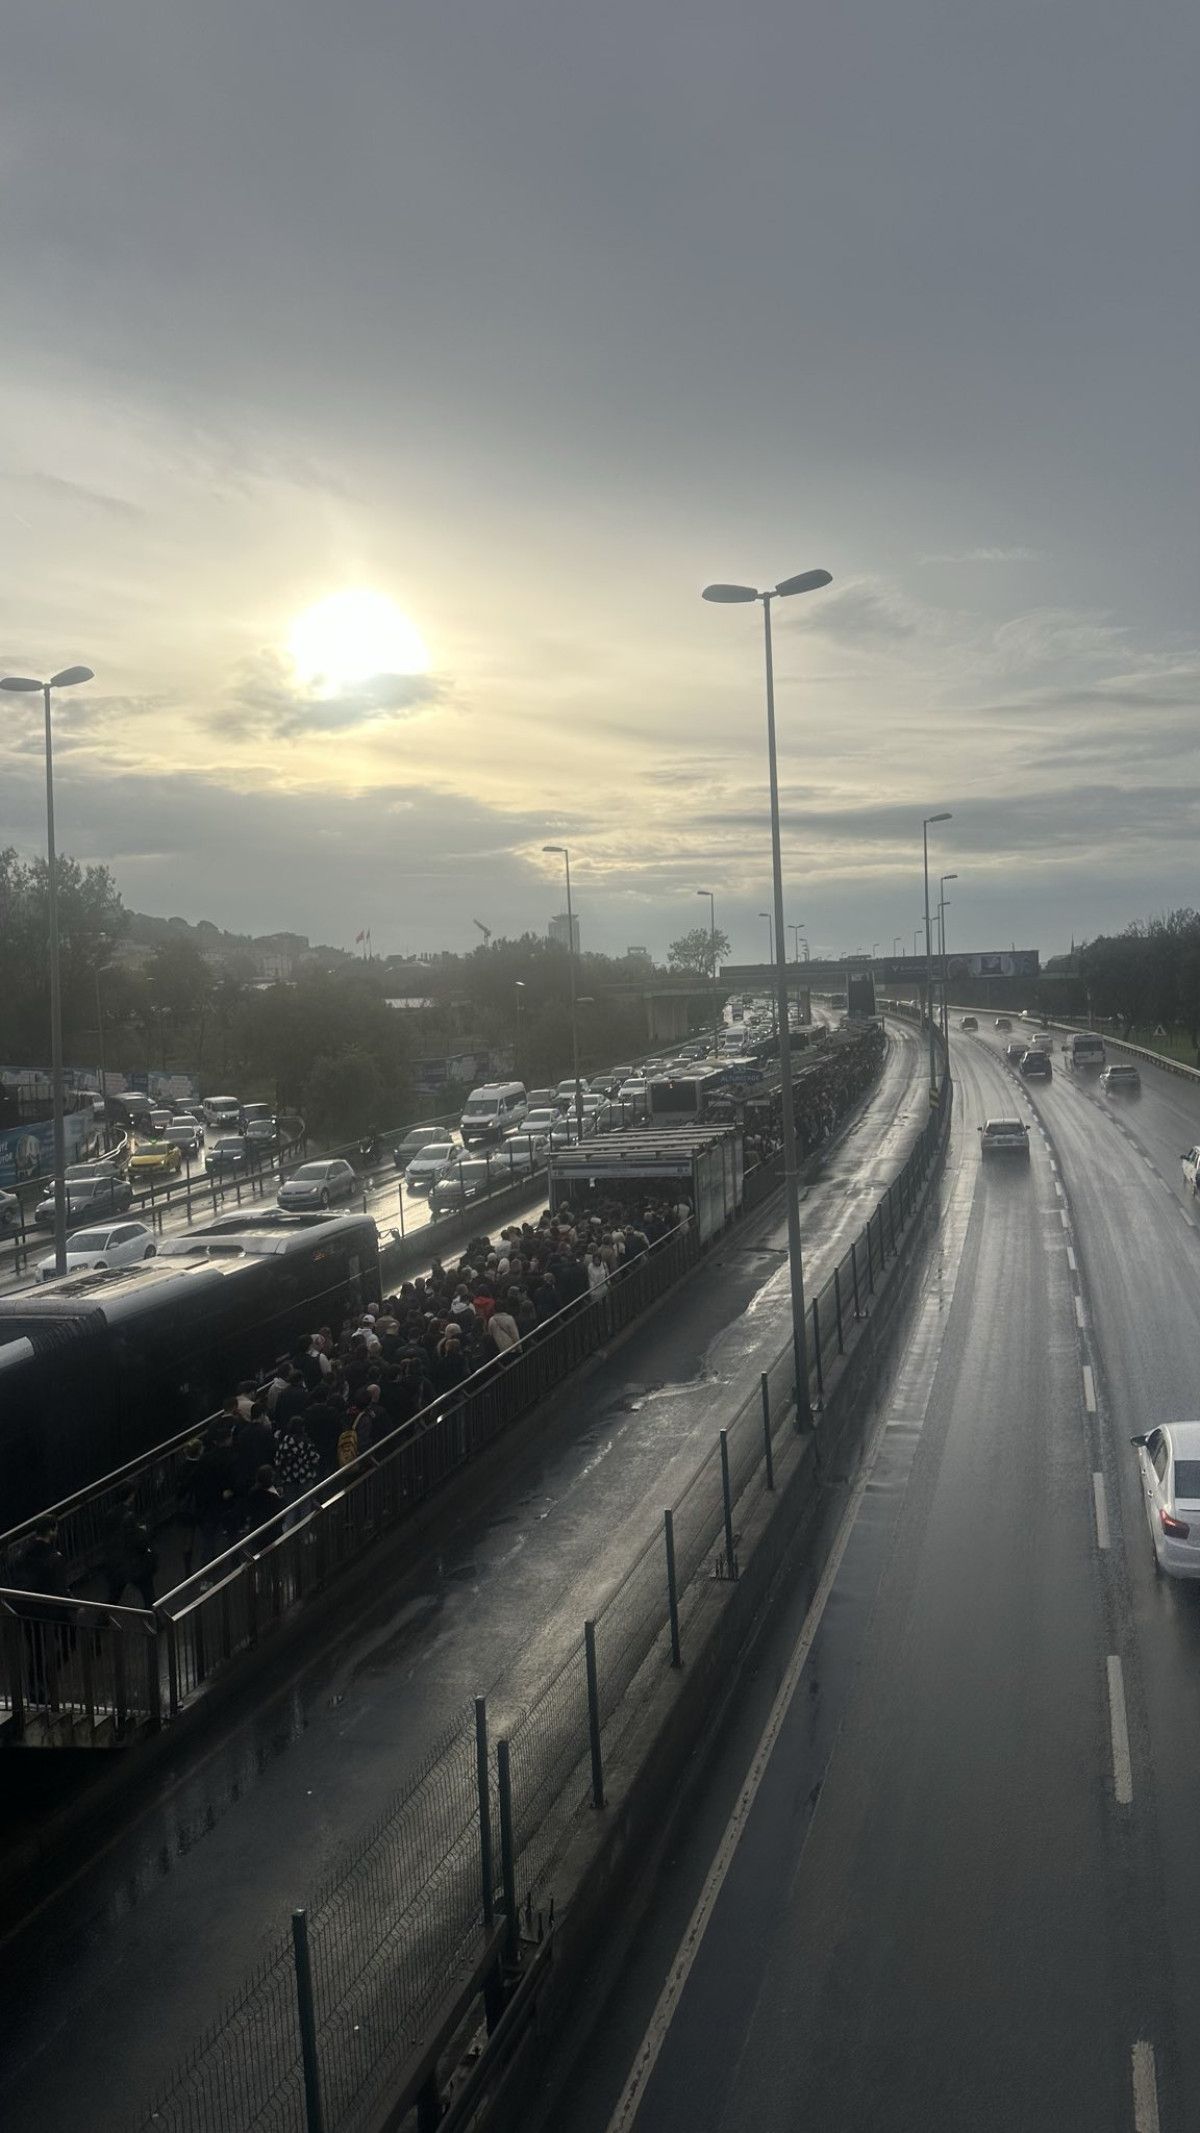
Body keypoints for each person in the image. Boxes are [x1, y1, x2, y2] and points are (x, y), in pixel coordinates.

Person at [104, 1487, 158, 1609]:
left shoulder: (111, 1515)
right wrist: (143, 1532)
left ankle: (103, 1616)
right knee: (148, 1591)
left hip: (116, 1561)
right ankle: (154, 1616)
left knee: (115, 1594)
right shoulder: (129, 1516)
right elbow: (136, 1539)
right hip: (133, 1561)